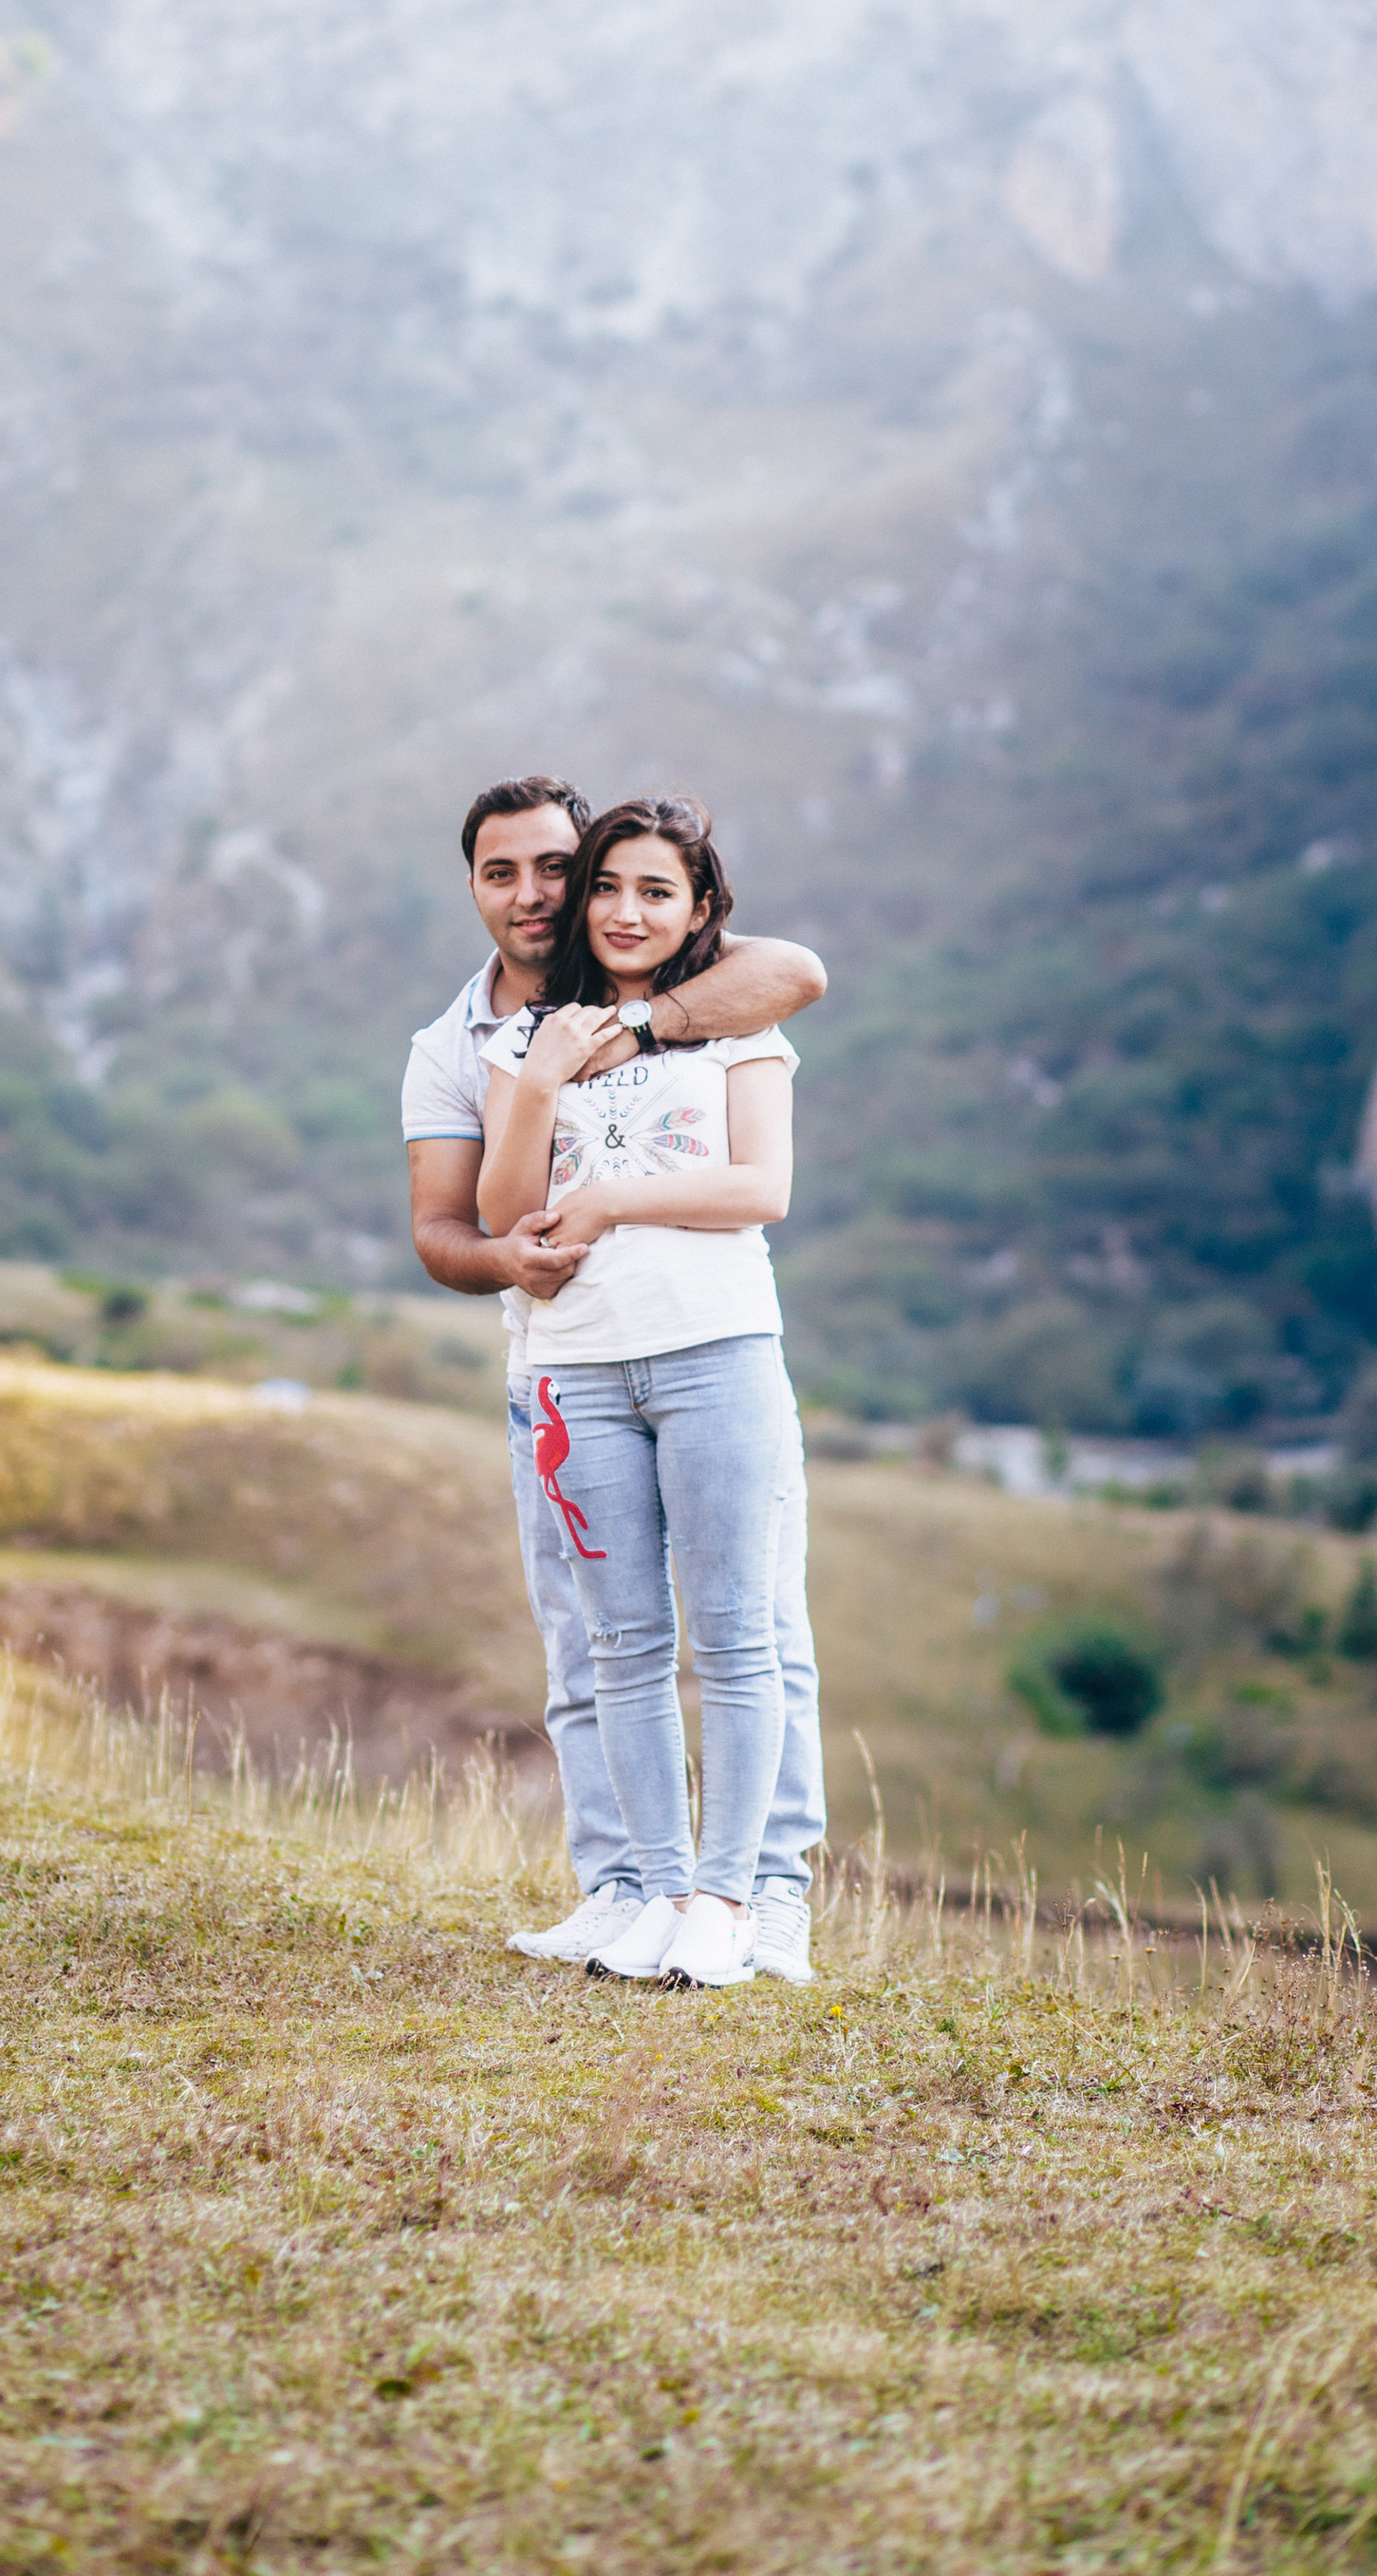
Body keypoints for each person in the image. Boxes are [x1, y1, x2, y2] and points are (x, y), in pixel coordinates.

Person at [402, 775, 828, 1980]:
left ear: (697, 909)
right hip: (571, 1368)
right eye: (598, 887)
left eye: (649, 889)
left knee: (746, 1634)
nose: (586, 904)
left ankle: (742, 1899)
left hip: (714, 1347)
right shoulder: (481, 1042)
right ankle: (639, 1890)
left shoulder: (724, 1010)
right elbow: (474, 1219)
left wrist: (614, 1186)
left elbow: (765, 1180)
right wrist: (536, 1080)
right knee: (614, 1643)